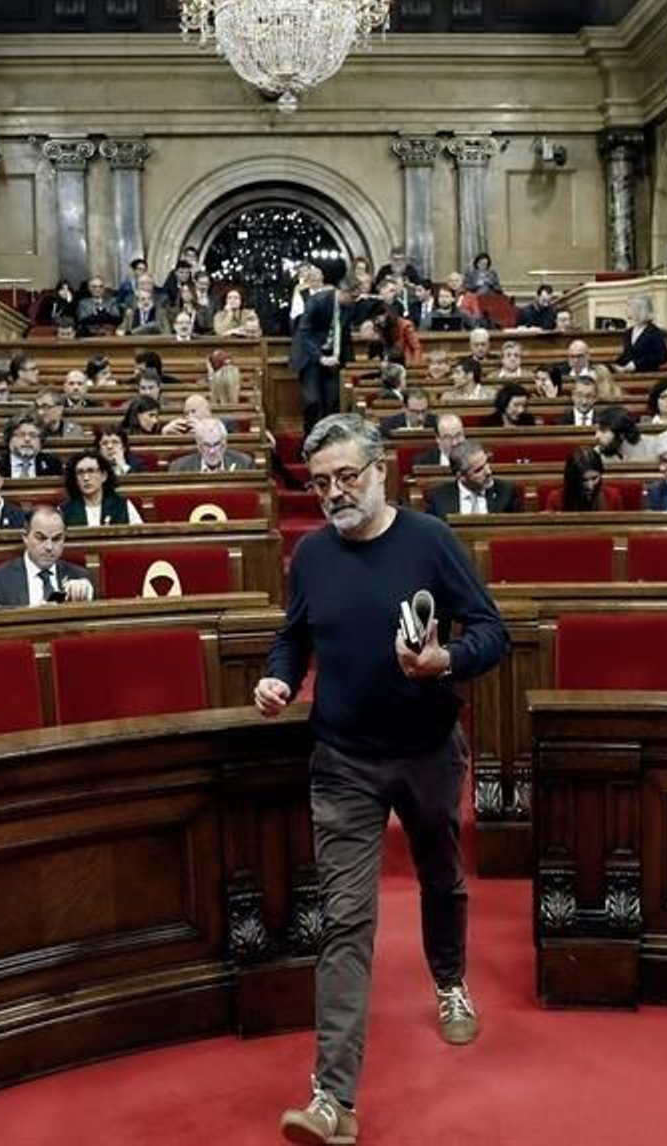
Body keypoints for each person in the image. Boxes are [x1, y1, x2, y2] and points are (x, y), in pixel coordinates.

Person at [255, 414, 508, 1145]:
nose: (334, 493)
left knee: (441, 878)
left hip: (428, 749)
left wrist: (444, 663)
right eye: (322, 482)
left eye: (346, 477)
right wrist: (279, 679)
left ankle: (452, 982)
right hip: (342, 758)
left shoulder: (430, 540)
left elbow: (490, 630)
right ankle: (333, 1099)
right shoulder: (310, 554)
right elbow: (294, 636)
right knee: (345, 922)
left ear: (380, 471)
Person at [0, 504, 96, 608]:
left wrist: (84, 599)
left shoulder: (79, 576)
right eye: (41, 538)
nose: (49, 547)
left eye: (57, 539)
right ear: (25, 537)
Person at [290, 272, 356, 433]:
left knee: (333, 402)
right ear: (342, 292)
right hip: (310, 356)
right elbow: (304, 333)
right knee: (313, 401)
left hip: (333, 357)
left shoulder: (349, 306)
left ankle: (328, 439)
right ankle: (309, 439)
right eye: (352, 296)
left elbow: (344, 334)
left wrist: (348, 363)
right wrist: (320, 358)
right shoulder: (318, 301)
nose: (354, 300)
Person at [425, 440, 521, 518]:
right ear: (461, 476)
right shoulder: (438, 498)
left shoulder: (506, 492)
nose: (488, 472)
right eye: (479, 470)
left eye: (486, 463)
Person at [60, 449, 143, 527]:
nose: (86, 478)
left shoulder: (123, 505)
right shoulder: (65, 510)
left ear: (104, 476)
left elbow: (139, 536)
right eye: (80, 472)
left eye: (91, 471)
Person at [547, 445, 624, 511]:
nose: (590, 486)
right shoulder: (556, 499)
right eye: (584, 480)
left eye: (594, 479)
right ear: (572, 479)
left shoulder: (613, 497)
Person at [169, 418, 255, 473]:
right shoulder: (179, 468)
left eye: (216, 444)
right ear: (199, 446)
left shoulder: (244, 464)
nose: (212, 451)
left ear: (224, 444)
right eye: (207, 445)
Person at [612, 294, 667, 373]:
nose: (626, 309)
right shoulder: (628, 332)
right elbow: (628, 355)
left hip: (648, 376)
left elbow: (662, 356)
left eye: (629, 306)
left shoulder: (654, 332)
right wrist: (616, 365)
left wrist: (636, 364)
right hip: (629, 376)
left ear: (639, 309)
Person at [3, 413, 63, 478]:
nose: (27, 439)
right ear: (9, 439)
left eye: (33, 435)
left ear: (41, 441)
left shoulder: (53, 465)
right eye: (21, 435)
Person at [593, 406, 659, 463]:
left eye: (603, 430)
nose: (596, 436)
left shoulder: (652, 447)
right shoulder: (597, 453)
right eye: (596, 431)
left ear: (622, 433)